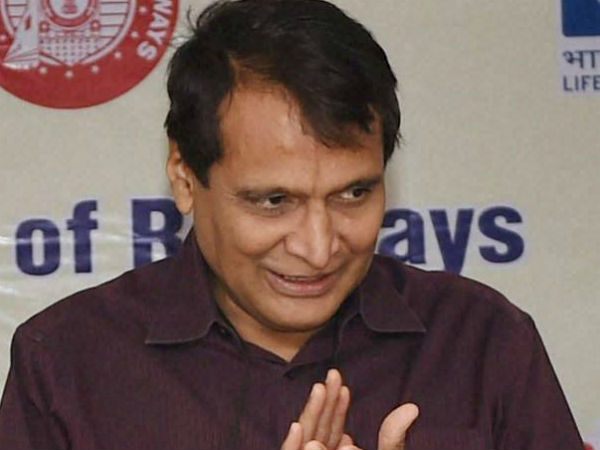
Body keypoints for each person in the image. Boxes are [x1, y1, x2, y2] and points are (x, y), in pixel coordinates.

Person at [0, 0, 585, 449]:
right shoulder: (66, 364)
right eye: (274, 201)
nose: (318, 247)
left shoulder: (484, 343)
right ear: (184, 177)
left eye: (354, 194)